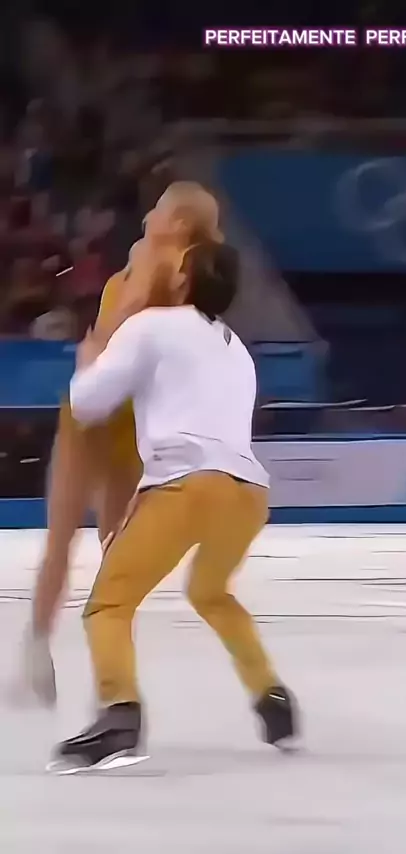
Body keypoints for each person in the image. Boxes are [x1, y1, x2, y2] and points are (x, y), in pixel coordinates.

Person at [48, 236, 298, 773]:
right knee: (211, 593)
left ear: (183, 280)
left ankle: (119, 712)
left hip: (187, 483)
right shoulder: (238, 350)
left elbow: (89, 403)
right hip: (247, 492)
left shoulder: (153, 326)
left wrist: (89, 361)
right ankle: (271, 695)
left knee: (109, 606)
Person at [18, 183, 223, 706]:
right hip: (128, 420)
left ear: (179, 223)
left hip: (98, 412)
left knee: (64, 538)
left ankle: (39, 652)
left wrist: (93, 350)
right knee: (115, 550)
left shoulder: (165, 265)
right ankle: (107, 676)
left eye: (159, 208)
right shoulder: (173, 268)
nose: (149, 214)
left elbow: (118, 326)